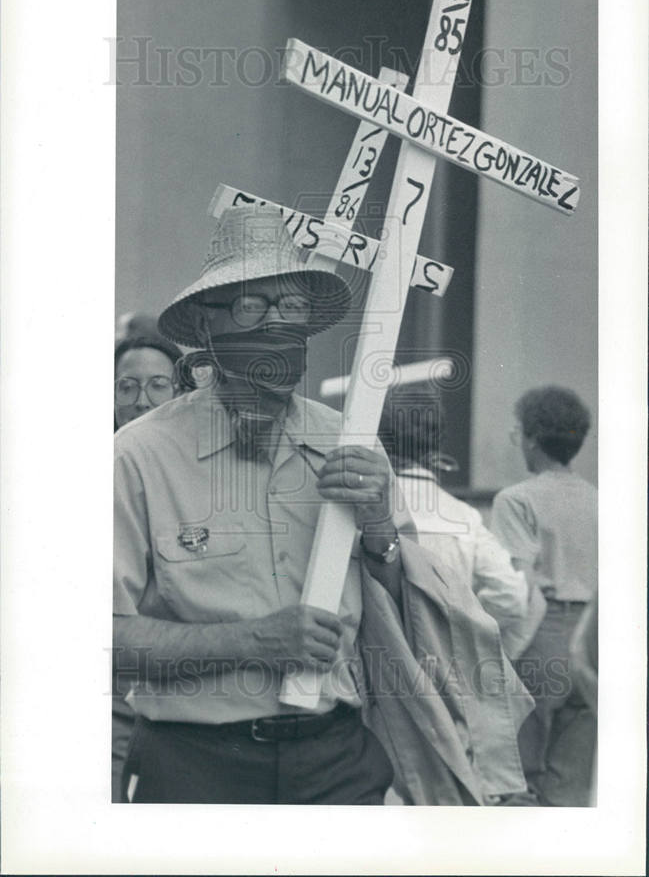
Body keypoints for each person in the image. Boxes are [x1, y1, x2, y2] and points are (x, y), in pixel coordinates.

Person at [113, 201, 533, 805]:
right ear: (205, 328)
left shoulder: (352, 442)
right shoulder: (138, 457)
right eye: (250, 305)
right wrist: (251, 642)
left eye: (292, 307)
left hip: (337, 760)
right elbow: (96, 638)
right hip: (194, 767)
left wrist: (380, 526)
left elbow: (403, 615)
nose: (275, 325)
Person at [491, 386, 597, 806]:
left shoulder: (516, 500)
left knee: (520, 774)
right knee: (569, 782)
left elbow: (517, 584)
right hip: (593, 636)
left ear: (533, 438)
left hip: (542, 632)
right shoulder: (599, 499)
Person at [378, 387, 532, 659]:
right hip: (446, 666)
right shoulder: (464, 517)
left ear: (380, 439)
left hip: (376, 663)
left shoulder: (361, 512)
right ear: (438, 441)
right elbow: (512, 596)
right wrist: (460, 624)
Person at [113, 333, 181, 801]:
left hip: (178, 680)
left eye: (158, 385)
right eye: (127, 387)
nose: (142, 401)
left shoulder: (195, 472)